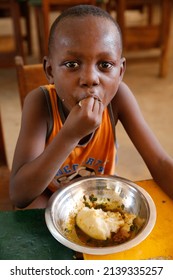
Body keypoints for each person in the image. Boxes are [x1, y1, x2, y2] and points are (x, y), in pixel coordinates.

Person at [10, 4, 173, 209]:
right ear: (50, 70)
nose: (90, 79)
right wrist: (70, 135)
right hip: (49, 199)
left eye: (105, 65)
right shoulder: (40, 103)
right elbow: (19, 194)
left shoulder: (119, 98)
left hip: (99, 200)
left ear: (120, 71)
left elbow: (159, 163)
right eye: (72, 64)